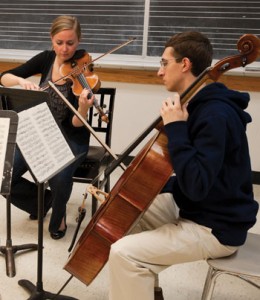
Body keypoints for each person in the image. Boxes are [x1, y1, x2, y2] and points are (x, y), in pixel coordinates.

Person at [107, 31, 259, 300]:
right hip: (203, 208)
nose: (159, 72)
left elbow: (196, 185)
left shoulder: (214, 114)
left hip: (216, 227)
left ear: (185, 64)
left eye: (164, 63)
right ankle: (148, 292)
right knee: (133, 209)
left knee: (124, 253)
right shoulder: (200, 104)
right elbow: (204, 176)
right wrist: (143, 187)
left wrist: (177, 127)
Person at [0, 15, 95, 240]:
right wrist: (21, 82)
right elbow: (4, 77)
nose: (64, 49)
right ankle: (42, 202)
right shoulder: (45, 59)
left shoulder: (83, 69)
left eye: (70, 43)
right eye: (59, 42)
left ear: (79, 40)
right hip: (38, 133)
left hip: (71, 137)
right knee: (5, 175)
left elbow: (75, 123)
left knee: (60, 175)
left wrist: (83, 108)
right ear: (52, 40)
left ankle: (58, 218)